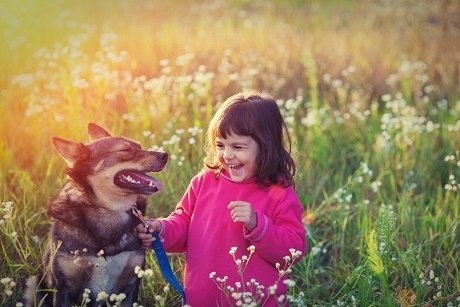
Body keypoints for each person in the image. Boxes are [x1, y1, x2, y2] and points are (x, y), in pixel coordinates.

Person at [137, 91, 307, 306]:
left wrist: (259, 225)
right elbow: (182, 224)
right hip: (201, 300)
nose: (227, 155)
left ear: (266, 147)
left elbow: (293, 251)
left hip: (255, 301)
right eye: (220, 145)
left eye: (237, 147)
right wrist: (161, 229)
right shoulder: (204, 182)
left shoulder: (280, 194)